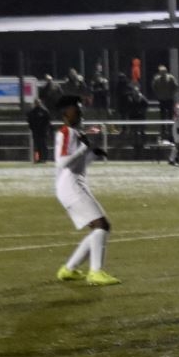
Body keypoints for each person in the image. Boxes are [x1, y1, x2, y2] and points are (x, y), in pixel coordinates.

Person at [52, 95, 120, 286]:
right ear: (66, 113)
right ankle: (95, 273)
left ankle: (69, 269)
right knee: (102, 225)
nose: (80, 111)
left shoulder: (75, 132)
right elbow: (62, 162)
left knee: (99, 227)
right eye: (76, 108)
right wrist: (84, 149)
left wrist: (92, 154)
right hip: (71, 186)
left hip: (74, 184)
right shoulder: (67, 132)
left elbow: (77, 164)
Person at [26, 99, 51, 164]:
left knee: (43, 146)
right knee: (36, 146)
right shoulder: (32, 112)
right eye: (36, 103)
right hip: (35, 132)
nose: (37, 104)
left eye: (38, 103)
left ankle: (44, 159)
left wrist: (45, 129)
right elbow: (29, 121)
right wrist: (32, 128)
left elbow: (47, 121)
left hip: (43, 132)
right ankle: (37, 159)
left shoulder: (44, 111)